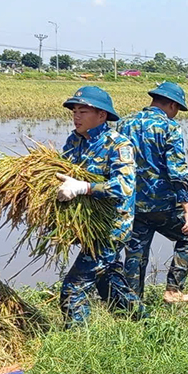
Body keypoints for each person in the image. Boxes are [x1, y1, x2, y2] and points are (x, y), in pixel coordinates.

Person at [56, 86, 143, 326]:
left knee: (74, 287)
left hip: (111, 229)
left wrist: (84, 188)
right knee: (109, 281)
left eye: (83, 111)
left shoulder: (118, 144)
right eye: (74, 111)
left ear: (102, 116)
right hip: (89, 225)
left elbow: (124, 187)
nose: (76, 116)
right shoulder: (74, 140)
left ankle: (78, 343)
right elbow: (63, 171)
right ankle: (144, 323)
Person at [117, 82, 188, 304]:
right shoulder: (170, 128)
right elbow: (178, 171)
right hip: (161, 205)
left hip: (130, 204)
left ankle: (132, 303)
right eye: (177, 110)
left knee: (135, 254)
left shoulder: (123, 124)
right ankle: (173, 291)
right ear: (172, 105)